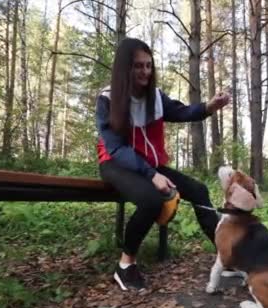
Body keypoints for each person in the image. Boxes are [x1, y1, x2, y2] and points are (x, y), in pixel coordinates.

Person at [95, 37, 230, 291]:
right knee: (151, 200)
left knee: (198, 190)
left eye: (149, 66)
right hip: (115, 163)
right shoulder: (107, 99)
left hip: (148, 165)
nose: (145, 72)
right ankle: (125, 265)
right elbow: (115, 148)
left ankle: (227, 256)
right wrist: (151, 175)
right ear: (125, 68)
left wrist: (209, 107)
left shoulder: (155, 97)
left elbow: (180, 112)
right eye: (138, 66)